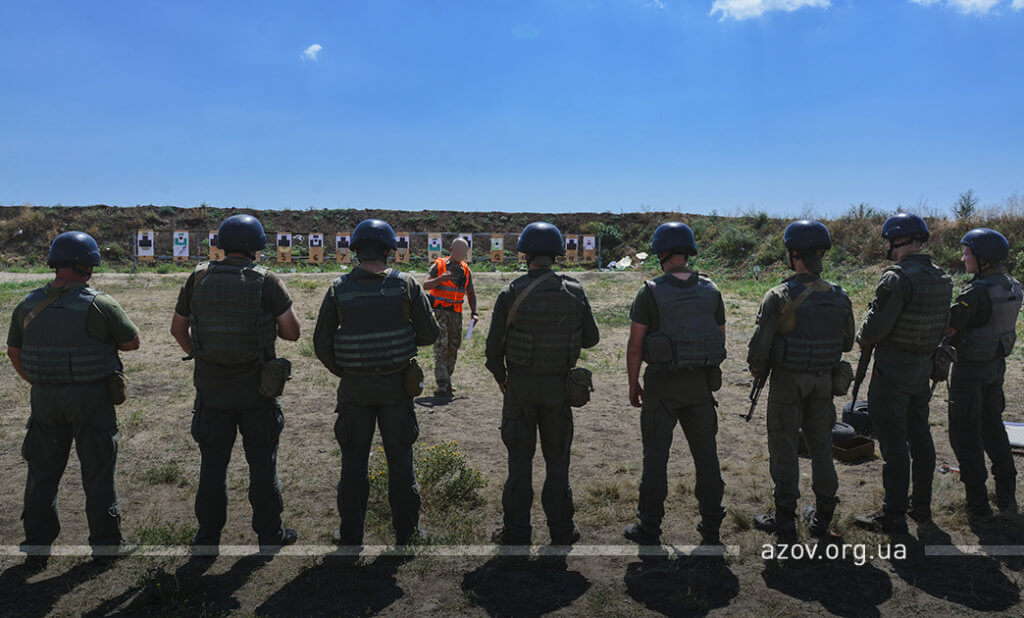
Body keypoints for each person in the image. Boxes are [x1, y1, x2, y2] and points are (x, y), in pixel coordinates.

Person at [7, 231, 140, 567]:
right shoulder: (99, 303)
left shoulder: (27, 303)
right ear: (87, 265)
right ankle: (106, 547)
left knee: (42, 474)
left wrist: (40, 381)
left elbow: (14, 352)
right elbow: (131, 342)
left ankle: (36, 548)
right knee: (98, 473)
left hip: (44, 398)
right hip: (90, 399)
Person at [170, 214, 302, 552]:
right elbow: (292, 332)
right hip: (258, 393)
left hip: (211, 392)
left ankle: (207, 538)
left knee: (213, 467)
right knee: (262, 465)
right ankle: (270, 535)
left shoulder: (198, 277)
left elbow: (177, 329)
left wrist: (198, 353)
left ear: (222, 245)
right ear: (257, 246)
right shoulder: (266, 280)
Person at [313, 219, 439, 546]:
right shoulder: (406, 285)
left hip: (354, 389)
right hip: (397, 387)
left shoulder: (338, 288)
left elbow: (321, 344)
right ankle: (407, 534)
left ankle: (351, 535)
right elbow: (430, 334)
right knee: (401, 462)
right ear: (388, 250)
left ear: (356, 250)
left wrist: (348, 370)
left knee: (353, 463)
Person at [485, 222, 600, 546]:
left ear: (525, 254)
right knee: (558, 462)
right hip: (559, 390)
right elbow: (591, 338)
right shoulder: (574, 291)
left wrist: (502, 379)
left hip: (520, 389)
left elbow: (493, 350)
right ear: (557, 254)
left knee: (519, 463)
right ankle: (561, 529)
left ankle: (516, 531)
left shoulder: (511, 292)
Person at [747, 220, 855, 540]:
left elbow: (759, 348)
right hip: (823, 382)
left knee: (784, 446)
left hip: (787, 382)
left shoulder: (779, 295)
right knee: (821, 447)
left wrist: (759, 369)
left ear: (794, 254)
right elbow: (847, 343)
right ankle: (823, 516)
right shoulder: (839, 295)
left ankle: (784, 518)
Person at [623, 222, 728, 546]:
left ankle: (649, 527)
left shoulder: (650, 292)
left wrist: (633, 384)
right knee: (707, 458)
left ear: (661, 253)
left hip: (662, 388)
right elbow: (720, 338)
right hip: (700, 388)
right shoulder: (711, 289)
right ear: (688, 251)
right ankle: (711, 527)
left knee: (655, 459)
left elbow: (635, 346)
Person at [853, 213, 952, 533]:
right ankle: (920, 505)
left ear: (898, 240)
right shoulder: (942, 277)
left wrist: (862, 335)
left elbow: (873, 330)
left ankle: (893, 513)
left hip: (893, 370)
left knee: (894, 439)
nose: (888, 247)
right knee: (920, 435)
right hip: (923, 367)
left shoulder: (897, 278)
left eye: (889, 241)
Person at [946, 228, 1020, 516]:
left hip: (970, 370)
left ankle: (977, 503)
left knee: (964, 433)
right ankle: (1007, 495)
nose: (963, 257)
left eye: (967, 252)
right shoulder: (1012, 285)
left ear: (983, 258)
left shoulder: (976, 291)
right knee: (993, 428)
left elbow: (951, 328)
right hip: (996, 367)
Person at [423, 238, 478, 399]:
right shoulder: (439, 266)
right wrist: (440, 279)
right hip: (439, 312)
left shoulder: (466, 270)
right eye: (459, 250)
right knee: (441, 345)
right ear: (451, 249)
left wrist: (474, 312)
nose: (462, 254)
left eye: (464, 251)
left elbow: (471, 292)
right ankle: (441, 383)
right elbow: (425, 285)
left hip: (456, 314)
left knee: (454, 346)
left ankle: (447, 378)